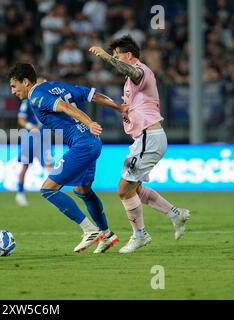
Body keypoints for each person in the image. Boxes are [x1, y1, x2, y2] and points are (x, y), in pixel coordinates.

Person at [8, 62, 126, 254]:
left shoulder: (36, 96)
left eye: (14, 86)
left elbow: (63, 107)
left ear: (26, 82)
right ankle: (107, 234)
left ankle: (90, 230)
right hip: (92, 142)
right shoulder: (58, 86)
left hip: (83, 144)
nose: (12, 91)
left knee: (48, 190)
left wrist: (89, 122)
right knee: (82, 190)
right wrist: (119, 107)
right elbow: (93, 95)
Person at [89, 35, 190, 253]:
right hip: (144, 139)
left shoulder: (140, 71)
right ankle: (175, 214)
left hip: (149, 137)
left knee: (124, 190)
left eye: (117, 55)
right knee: (135, 188)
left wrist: (106, 57)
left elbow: (132, 71)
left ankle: (140, 235)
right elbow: (130, 105)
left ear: (128, 55)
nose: (115, 59)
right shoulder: (131, 83)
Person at [15, 89, 53, 207]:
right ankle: (20, 193)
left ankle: (53, 194)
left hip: (44, 137)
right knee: (25, 165)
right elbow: (21, 119)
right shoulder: (27, 102)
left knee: (49, 165)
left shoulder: (48, 101)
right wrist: (30, 126)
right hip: (30, 138)